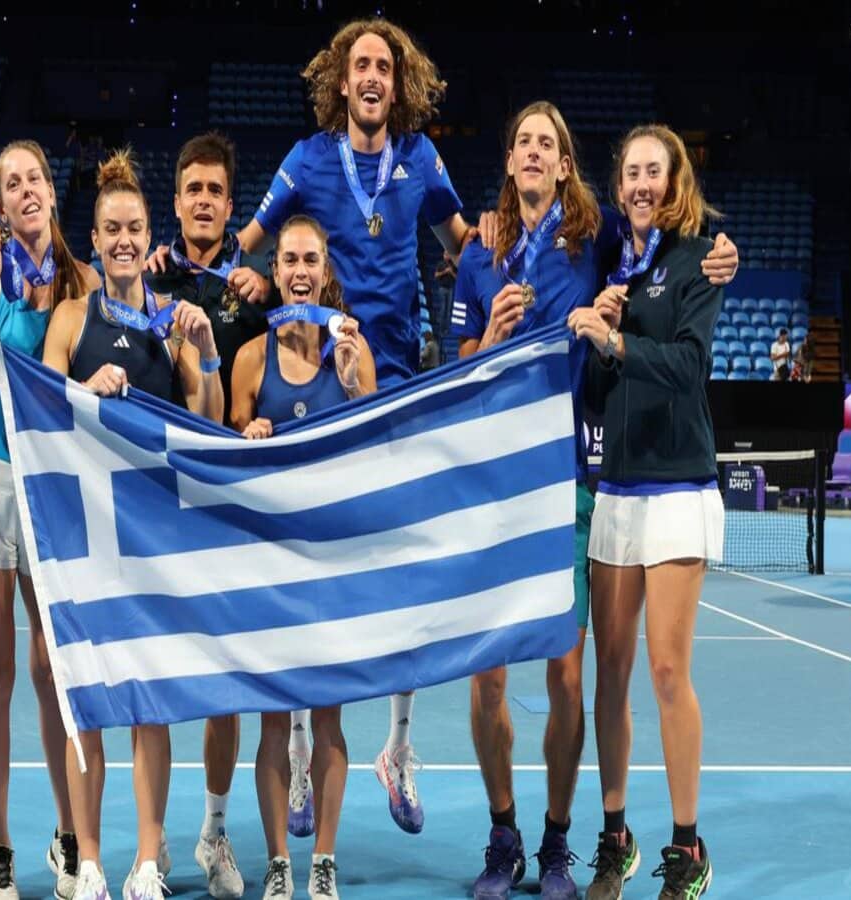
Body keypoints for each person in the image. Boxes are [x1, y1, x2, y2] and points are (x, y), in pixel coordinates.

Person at [456, 103, 740, 900]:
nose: (643, 185)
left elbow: (681, 325)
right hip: (556, 485)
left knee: (626, 672)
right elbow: (460, 362)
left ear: (568, 162)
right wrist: (492, 338)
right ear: (510, 160)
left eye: (550, 143)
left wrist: (726, 256)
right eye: (524, 142)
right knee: (564, 678)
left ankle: (640, 844)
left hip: (616, 483)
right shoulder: (487, 252)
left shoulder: (610, 242)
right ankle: (557, 834)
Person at [236, 16, 478, 834]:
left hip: (399, 384)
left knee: (405, 573)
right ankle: (301, 752)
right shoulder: (307, 159)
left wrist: (520, 267)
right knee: (309, 572)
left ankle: (399, 747)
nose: (372, 76)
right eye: (360, 65)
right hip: (318, 386)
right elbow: (250, 244)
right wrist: (210, 269)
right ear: (341, 81)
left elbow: (467, 244)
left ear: (397, 82)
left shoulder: (421, 160)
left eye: (384, 65)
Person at [40, 148, 224, 900]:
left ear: (148, 236)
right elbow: (42, 413)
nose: (122, 239)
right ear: (95, 237)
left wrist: (207, 355)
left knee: (150, 702)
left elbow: (208, 423)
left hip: (153, 540)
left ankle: (150, 859)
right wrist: (84, 388)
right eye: (111, 227)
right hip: (85, 539)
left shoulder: (172, 324)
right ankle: (88, 861)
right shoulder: (69, 318)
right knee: (89, 700)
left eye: (134, 227)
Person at [568, 124, 723, 900]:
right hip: (617, 491)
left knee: (667, 670)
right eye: (630, 172)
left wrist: (620, 342)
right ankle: (614, 836)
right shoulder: (611, 268)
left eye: (652, 172)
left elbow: (691, 366)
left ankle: (687, 849)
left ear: (674, 180)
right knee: (613, 672)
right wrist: (602, 342)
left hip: (679, 488)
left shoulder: (699, 259)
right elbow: (603, 392)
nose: (639, 184)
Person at [0, 139, 100, 900]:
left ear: (52, 191)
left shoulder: (80, 282)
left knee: (57, 670)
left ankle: (70, 835)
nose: (26, 190)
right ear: (2, 202)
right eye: (10, 182)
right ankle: (1, 849)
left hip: (55, 491)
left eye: (35, 177)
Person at [143, 129, 276, 900]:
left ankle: (215, 832)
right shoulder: (153, 283)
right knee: (161, 680)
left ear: (231, 204)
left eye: (214, 190)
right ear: (178, 200)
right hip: (165, 507)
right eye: (190, 187)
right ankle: (152, 849)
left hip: (233, 512)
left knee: (227, 687)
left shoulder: (251, 295)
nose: (201, 200)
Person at [229, 214, 377, 900]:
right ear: (276, 269)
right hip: (265, 562)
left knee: (328, 718)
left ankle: (323, 861)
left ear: (325, 270)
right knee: (269, 721)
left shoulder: (351, 343)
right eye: (287, 258)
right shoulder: (251, 359)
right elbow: (229, 446)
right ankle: (278, 865)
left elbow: (373, 438)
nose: (297, 270)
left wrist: (352, 384)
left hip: (329, 563)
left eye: (309, 259)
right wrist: (248, 431)